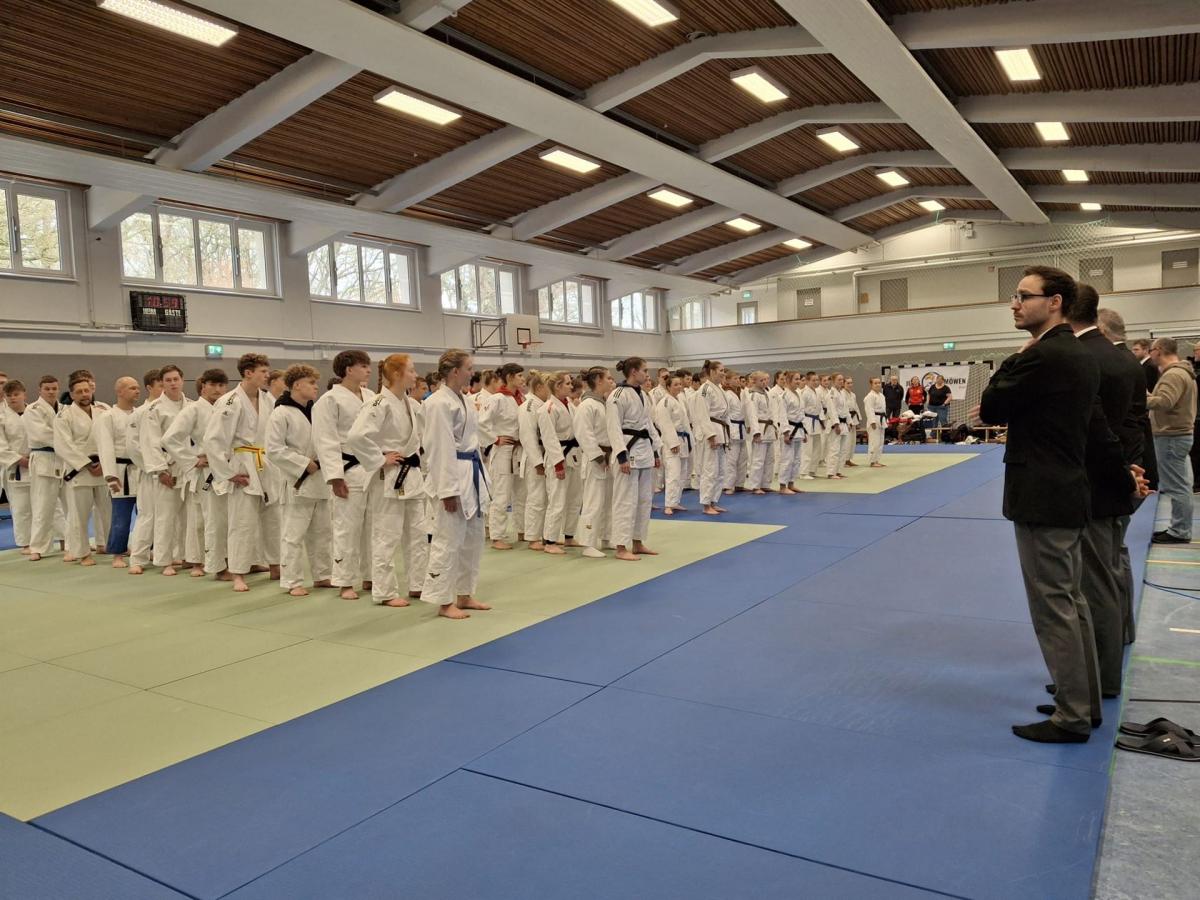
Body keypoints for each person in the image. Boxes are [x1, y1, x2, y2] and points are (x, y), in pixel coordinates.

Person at [978, 265, 1141, 743]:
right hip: (1070, 491)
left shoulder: (1044, 355)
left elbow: (990, 407)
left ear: (1055, 303)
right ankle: (1083, 702)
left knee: (1054, 607)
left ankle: (1071, 716)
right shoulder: (1081, 355)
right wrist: (1123, 476)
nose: (1015, 304)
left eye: (1024, 296)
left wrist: (1016, 357)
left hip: (1043, 497)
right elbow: (1097, 430)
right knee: (1072, 600)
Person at [1067, 284, 1139, 698]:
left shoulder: (1084, 358)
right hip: (1116, 475)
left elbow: (1096, 431)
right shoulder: (1121, 357)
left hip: (1093, 481)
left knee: (1093, 584)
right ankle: (1104, 665)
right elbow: (1129, 425)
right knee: (1110, 572)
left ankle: (1100, 677)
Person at [344, 355, 428, 606]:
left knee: (418, 533)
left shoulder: (410, 403)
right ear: (396, 375)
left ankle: (418, 584)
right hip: (388, 477)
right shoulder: (378, 402)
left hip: (412, 475)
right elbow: (356, 436)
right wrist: (379, 458)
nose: (415, 375)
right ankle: (385, 591)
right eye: (411, 371)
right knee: (386, 536)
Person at [1097, 307, 1156, 643]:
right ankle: (1122, 629)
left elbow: (1112, 426)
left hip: (1122, 466)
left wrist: (1124, 470)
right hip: (1130, 460)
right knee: (1116, 551)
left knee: (1108, 557)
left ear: (1102, 330)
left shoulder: (1114, 363)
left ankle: (1113, 634)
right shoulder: (1129, 363)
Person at [421, 349, 491, 620]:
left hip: (471, 473)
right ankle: (443, 600)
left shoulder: (464, 399)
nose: (472, 372)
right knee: (448, 540)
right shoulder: (438, 403)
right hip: (452, 475)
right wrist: (447, 490)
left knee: (473, 539)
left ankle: (464, 594)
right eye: (469, 368)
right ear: (454, 371)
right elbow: (439, 448)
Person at [203, 353, 279, 593]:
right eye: (263, 372)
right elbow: (213, 440)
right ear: (248, 373)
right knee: (242, 522)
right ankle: (237, 573)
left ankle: (276, 565)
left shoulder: (267, 399)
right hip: (242, 465)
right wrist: (227, 473)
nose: (267, 376)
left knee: (274, 519)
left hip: (265, 464)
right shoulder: (230, 401)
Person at [313, 349, 375, 600]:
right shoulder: (329, 400)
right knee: (346, 528)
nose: (369, 370)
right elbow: (325, 440)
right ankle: (345, 582)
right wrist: (335, 477)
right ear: (349, 370)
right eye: (364, 366)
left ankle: (371, 575)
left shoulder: (371, 396)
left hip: (371, 468)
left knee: (373, 527)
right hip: (347, 469)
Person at [267, 364, 334, 598]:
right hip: (297, 481)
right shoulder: (281, 413)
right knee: (293, 535)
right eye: (311, 383)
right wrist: (303, 463)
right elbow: (273, 449)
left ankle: (323, 574)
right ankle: (292, 580)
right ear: (296, 385)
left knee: (323, 532)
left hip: (321, 480)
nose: (316, 387)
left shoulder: (316, 411)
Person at [163, 368, 229, 579]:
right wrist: (192, 460)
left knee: (222, 519)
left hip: (227, 469)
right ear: (203, 386)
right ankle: (215, 567)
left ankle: (221, 560)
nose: (217, 389)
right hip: (206, 472)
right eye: (212, 385)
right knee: (210, 520)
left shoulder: (227, 407)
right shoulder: (193, 410)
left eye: (221, 385)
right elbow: (169, 439)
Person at [53, 373, 110, 567]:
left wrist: (105, 463)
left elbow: (111, 440)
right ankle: (83, 553)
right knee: (79, 515)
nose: (84, 394)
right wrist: (86, 464)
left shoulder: (103, 412)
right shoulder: (64, 416)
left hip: (102, 468)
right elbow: (63, 445)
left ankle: (112, 545)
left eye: (87, 390)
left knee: (108, 511)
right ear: (72, 394)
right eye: (79, 392)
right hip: (80, 470)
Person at [606, 357, 661, 561]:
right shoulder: (617, 395)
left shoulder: (644, 395)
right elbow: (613, 427)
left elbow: (649, 425)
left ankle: (637, 542)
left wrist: (656, 451)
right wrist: (621, 456)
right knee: (625, 501)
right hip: (627, 452)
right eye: (644, 370)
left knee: (644, 500)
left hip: (644, 450)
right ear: (633, 372)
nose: (647, 374)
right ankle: (621, 546)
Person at [138, 365, 189, 576]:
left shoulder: (191, 405)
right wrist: (160, 471)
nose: (173, 383)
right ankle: (164, 560)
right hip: (167, 467)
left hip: (190, 466)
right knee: (165, 517)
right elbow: (149, 442)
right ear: (162, 383)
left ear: (182, 380)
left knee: (190, 517)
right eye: (168, 380)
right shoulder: (154, 409)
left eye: (176, 379)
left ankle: (187, 556)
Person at [1146, 337, 1197, 544]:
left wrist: (1142, 397)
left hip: (1171, 437)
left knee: (1177, 486)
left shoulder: (1173, 375)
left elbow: (1165, 402)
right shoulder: (1183, 372)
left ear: (1158, 350)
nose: (1150, 354)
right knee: (1183, 485)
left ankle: (1179, 531)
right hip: (1179, 435)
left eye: (1151, 350)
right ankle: (1180, 528)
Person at [95, 376, 140, 567]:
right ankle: (117, 553)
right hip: (120, 471)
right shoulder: (108, 416)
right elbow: (105, 447)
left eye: (137, 388)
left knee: (146, 514)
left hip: (141, 469)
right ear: (119, 391)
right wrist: (110, 476)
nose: (137, 391)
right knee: (121, 515)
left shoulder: (141, 413)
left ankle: (146, 549)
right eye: (132, 388)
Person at [480, 363, 525, 549]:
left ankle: (523, 530)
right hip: (503, 450)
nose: (523, 379)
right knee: (501, 493)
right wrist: (495, 439)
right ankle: (497, 536)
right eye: (520, 375)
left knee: (521, 493)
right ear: (510, 377)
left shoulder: (520, 398)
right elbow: (481, 423)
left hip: (519, 450)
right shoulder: (497, 398)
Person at [24, 375, 68, 561]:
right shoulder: (32, 409)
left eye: (54, 388)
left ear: (58, 389)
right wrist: (67, 440)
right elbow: (41, 434)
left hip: (65, 460)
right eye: (47, 389)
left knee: (71, 506)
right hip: (44, 458)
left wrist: (68, 442)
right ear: (40, 390)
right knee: (42, 506)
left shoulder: (65, 409)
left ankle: (72, 543)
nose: (51, 392)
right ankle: (37, 547)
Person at [538, 371, 582, 554]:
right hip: (558, 457)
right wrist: (558, 464)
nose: (571, 386)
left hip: (574, 455)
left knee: (575, 499)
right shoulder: (547, 408)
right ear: (557, 386)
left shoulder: (569, 404)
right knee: (557, 501)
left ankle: (569, 536)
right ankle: (549, 541)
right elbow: (549, 439)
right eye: (568, 383)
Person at [125, 370, 162, 574]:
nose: (166, 389)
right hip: (150, 471)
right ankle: (138, 558)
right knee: (147, 515)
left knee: (176, 516)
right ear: (150, 387)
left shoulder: (181, 408)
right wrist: (154, 467)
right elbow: (133, 447)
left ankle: (171, 554)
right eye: (161, 385)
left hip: (176, 469)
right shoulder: (139, 413)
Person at [575, 366, 614, 557]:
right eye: (608, 378)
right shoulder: (587, 405)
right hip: (595, 459)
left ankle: (607, 536)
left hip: (609, 455)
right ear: (598, 380)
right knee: (593, 501)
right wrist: (598, 456)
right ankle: (588, 543)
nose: (611, 381)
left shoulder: (604, 403)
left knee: (608, 500)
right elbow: (584, 434)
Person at [693, 359, 729, 516]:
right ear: (712, 372)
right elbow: (702, 415)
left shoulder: (718, 388)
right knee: (710, 470)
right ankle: (706, 504)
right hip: (711, 432)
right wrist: (711, 436)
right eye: (721, 370)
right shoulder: (705, 389)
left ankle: (714, 501)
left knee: (720, 470)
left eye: (724, 370)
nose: (723, 373)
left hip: (720, 430)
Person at [0, 380, 32, 553]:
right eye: (9, 395)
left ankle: (62, 539)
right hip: (16, 468)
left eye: (16, 394)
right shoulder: (2, 417)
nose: (12, 398)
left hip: (39, 462)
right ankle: (26, 543)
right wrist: (19, 460)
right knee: (21, 508)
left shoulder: (35, 412)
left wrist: (36, 457)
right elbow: (1, 446)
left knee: (52, 505)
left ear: (24, 394)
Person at [519, 372, 549, 551]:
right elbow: (527, 436)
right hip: (534, 459)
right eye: (548, 387)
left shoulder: (542, 404)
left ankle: (545, 535)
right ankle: (532, 537)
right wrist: (537, 462)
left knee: (546, 499)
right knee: (536, 498)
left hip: (545, 456)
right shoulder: (529, 405)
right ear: (538, 387)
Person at [653, 373, 691, 515]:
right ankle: (668, 504)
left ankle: (675, 502)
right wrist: (673, 443)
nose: (679, 387)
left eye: (680, 384)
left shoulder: (679, 400)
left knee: (682, 474)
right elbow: (664, 423)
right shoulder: (664, 402)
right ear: (668, 387)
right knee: (673, 474)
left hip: (683, 439)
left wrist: (691, 442)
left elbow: (686, 423)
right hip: (672, 442)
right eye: (675, 384)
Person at [742, 371, 776, 494]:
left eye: (766, 379)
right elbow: (752, 415)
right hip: (760, 428)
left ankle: (765, 484)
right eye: (761, 380)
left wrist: (776, 428)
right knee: (758, 459)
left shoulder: (767, 393)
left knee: (770, 459)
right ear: (754, 381)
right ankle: (755, 486)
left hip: (769, 428)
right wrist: (756, 432)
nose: (764, 382)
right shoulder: (753, 394)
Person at [775, 371, 805, 493]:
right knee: (787, 459)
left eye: (799, 379)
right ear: (788, 381)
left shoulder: (799, 393)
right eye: (795, 379)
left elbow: (801, 414)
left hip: (799, 429)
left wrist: (804, 432)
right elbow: (782, 415)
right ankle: (783, 486)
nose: (798, 381)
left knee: (797, 459)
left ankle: (791, 483)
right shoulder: (784, 396)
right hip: (790, 430)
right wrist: (786, 433)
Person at [723, 372, 747, 494]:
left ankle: (739, 484)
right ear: (727, 380)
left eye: (738, 378)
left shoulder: (742, 393)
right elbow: (725, 414)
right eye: (735, 378)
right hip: (732, 428)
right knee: (731, 460)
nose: (738, 380)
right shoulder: (727, 394)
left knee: (743, 459)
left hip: (742, 428)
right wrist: (728, 430)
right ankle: (728, 485)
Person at [799, 371, 826, 481]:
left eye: (817, 380)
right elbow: (800, 409)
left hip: (816, 421)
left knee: (817, 448)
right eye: (813, 380)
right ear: (807, 381)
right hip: (807, 421)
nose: (816, 382)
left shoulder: (818, 392)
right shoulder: (804, 393)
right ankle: (803, 472)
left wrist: (822, 421)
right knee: (807, 448)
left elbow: (820, 408)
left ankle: (812, 470)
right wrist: (802, 425)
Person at [823, 373, 849, 480]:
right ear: (833, 381)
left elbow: (846, 409)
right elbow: (831, 410)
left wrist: (849, 422)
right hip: (835, 424)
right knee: (834, 449)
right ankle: (831, 472)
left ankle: (838, 471)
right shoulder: (831, 394)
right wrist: (836, 424)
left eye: (842, 379)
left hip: (843, 423)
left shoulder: (841, 393)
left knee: (842, 450)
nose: (841, 381)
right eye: (839, 380)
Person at [863, 377, 887, 467]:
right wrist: (872, 422)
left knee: (880, 441)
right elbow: (869, 410)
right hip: (874, 419)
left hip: (881, 419)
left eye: (879, 383)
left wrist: (886, 420)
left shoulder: (881, 395)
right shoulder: (870, 396)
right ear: (871, 385)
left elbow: (883, 410)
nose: (878, 385)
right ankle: (872, 461)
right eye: (875, 383)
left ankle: (877, 460)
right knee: (874, 441)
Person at [842, 376, 861, 467]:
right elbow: (844, 408)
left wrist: (858, 419)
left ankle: (848, 459)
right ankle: (844, 460)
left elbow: (856, 407)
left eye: (851, 383)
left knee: (852, 440)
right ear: (843, 384)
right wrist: (848, 421)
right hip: (846, 418)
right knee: (847, 440)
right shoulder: (842, 393)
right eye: (848, 383)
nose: (850, 385)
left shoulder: (853, 394)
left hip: (853, 417)